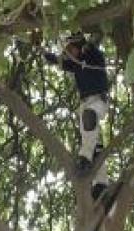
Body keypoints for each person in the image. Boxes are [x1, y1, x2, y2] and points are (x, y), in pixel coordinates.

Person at [44, 33, 118, 214]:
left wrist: (86, 44)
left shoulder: (93, 56)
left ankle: (84, 158)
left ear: (80, 47)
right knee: (96, 147)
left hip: (98, 102)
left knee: (90, 117)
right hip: (84, 104)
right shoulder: (75, 64)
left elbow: (90, 48)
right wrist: (43, 52)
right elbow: (58, 61)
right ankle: (101, 185)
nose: (68, 53)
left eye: (71, 49)